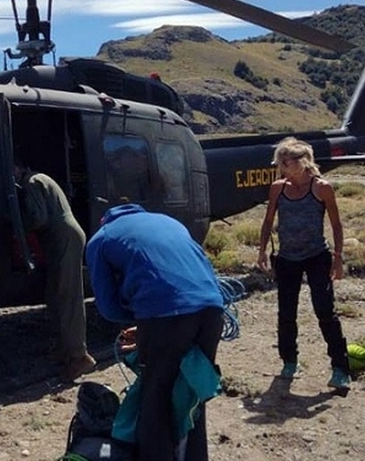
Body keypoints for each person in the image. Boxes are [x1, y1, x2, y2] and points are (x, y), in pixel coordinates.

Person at [85, 203, 224, 461]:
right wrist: (148, 322)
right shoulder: (169, 222)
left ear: (105, 220)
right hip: (212, 309)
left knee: (155, 396)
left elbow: (107, 307)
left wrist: (145, 319)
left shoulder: (101, 239)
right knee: (192, 392)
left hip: (165, 316)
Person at [256, 137, 351, 392]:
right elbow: (268, 221)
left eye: (287, 161)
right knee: (286, 312)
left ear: (302, 161)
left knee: (325, 311)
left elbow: (336, 224)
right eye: (282, 162)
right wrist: (262, 250)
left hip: (317, 256)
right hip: (287, 258)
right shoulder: (278, 188)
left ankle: (341, 368)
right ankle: (289, 361)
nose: (284, 166)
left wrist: (338, 257)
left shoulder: (321, 188)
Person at [14, 161, 95, 382]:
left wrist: (17, 223)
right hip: (64, 237)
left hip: (62, 239)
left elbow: (39, 219)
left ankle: (79, 356)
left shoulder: (31, 183)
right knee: (54, 294)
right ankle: (64, 348)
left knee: (67, 296)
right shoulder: (40, 177)